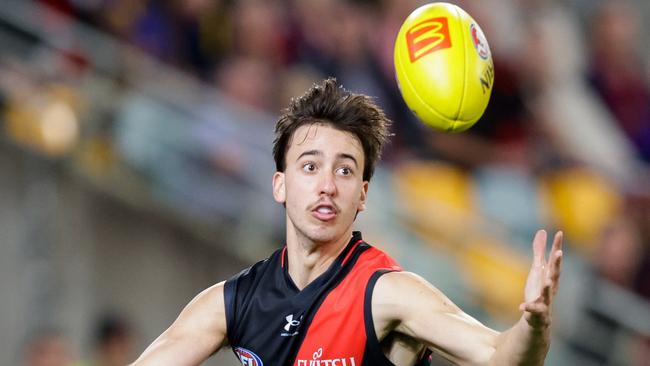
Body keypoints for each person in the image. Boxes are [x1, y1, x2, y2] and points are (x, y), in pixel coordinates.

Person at [130, 78, 564, 365]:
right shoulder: (234, 301)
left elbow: (499, 355)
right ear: (280, 185)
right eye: (310, 166)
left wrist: (533, 326)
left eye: (344, 170)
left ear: (363, 194)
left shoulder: (389, 294)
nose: (327, 186)